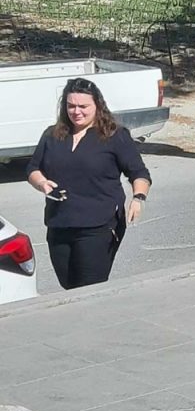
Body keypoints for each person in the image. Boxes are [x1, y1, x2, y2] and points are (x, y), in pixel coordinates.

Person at [25, 78, 152, 290]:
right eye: (71, 106)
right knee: (69, 286)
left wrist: (138, 198)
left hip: (99, 225)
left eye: (83, 106)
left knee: (89, 288)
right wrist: (42, 183)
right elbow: (33, 169)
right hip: (59, 222)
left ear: (97, 106)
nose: (76, 112)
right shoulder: (53, 134)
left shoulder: (114, 135)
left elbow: (139, 173)